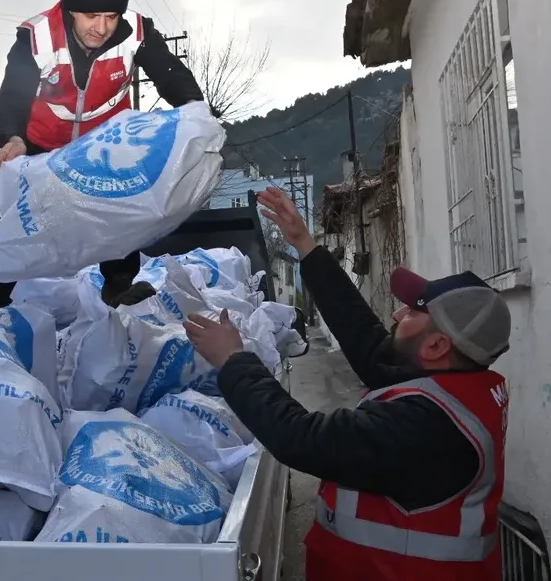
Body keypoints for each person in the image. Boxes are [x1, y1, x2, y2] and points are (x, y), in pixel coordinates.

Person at [184, 186, 512, 581]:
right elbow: (369, 343)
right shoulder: (458, 385)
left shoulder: (428, 427)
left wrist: (234, 361)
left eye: (412, 311)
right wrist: (306, 246)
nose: (396, 313)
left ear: (438, 344)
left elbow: (302, 438)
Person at [0, 0, 206, 312]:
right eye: (91, 16)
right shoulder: (37, 37)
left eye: (110, 16)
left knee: (123, 202)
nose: (101, 27)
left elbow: (172, 76)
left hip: (103, 144)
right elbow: (11, 97)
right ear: (70, 10)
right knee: (10, 213)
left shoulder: (137, 32)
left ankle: (119, 285)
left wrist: (197, 113)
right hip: (41, 144)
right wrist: (13, 138)